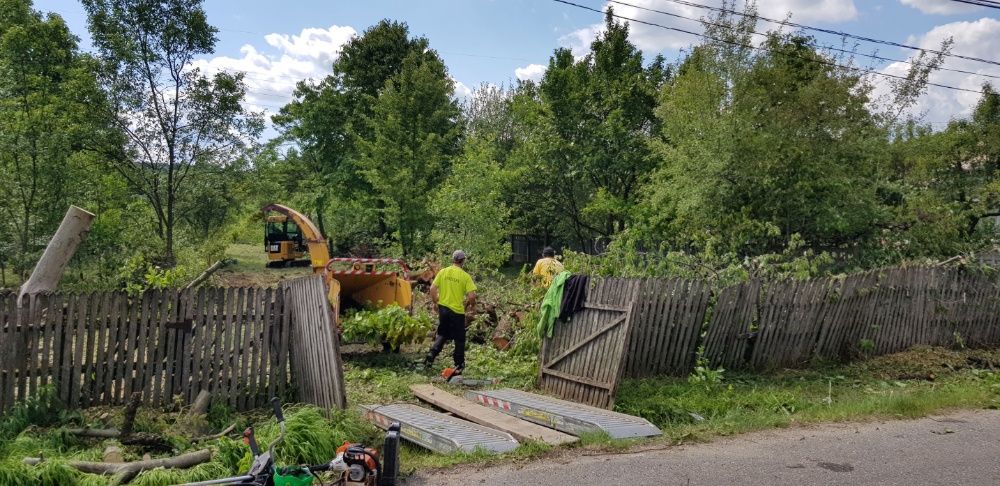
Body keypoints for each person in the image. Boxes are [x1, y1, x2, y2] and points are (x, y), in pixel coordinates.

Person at [425, 250, 477, 374]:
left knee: (442, 333)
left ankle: (431, 355)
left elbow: (432, 288)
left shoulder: (443, 272)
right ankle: (459, 364)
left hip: (443, 309)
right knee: (459, 338)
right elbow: (472, 296)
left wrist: (435, 302)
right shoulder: (465, 276)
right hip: (457, 312)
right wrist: (472, 306)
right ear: (463, 261)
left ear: (453, 259)